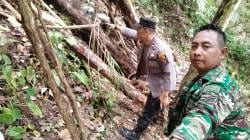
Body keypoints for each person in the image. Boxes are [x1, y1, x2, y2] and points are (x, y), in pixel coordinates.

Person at [166, 24, 249, 140]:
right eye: (194, 46)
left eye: (205, 47)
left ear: (222, 53)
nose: (197, 52)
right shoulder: (201, 79)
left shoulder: (221, 86)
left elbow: (203, 116)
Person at [105, 17, 176, 139]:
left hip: (161, 85)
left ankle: (136, 134)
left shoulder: (160, 51)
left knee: (149, 109)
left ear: (146, 31)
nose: (136, 31)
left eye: (139, 29)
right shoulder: (146, 40)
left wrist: (165, 94)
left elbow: (169, 73)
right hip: (155, 81)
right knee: (152, 108)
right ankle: (153, 117)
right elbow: (133, 34)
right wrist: (117, 27)